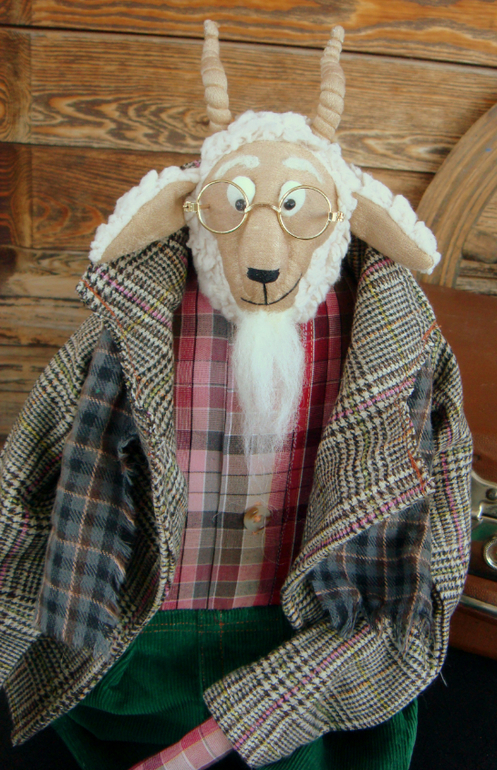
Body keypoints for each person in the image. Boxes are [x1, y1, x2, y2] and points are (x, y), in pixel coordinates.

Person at [0, 23, 472, 770]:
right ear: (194, 207)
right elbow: (35, 457)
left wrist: (413, 614)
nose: (263, 249)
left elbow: (442, 485)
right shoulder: (133, 322)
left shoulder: (396, 339)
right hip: (140, 622)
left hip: (312, 626)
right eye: (234, 205)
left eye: (298, 208)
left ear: (343, 214)